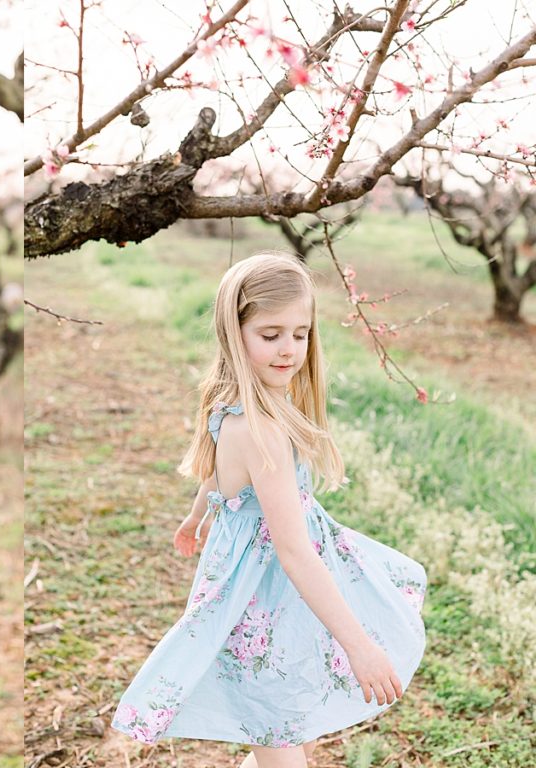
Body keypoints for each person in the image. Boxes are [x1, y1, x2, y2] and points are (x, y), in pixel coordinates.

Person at [110, 252, 426, 768]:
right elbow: (294, 551)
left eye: (300, 334)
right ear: (236, 334)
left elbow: (216, 473)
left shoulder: (234, 404)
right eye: (270, 334)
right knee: (278, 723)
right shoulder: (263, 433)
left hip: (281, 592)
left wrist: (200, 514)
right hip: (267, 591)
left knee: (288, 718)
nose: (289, 350)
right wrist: (359, 646)